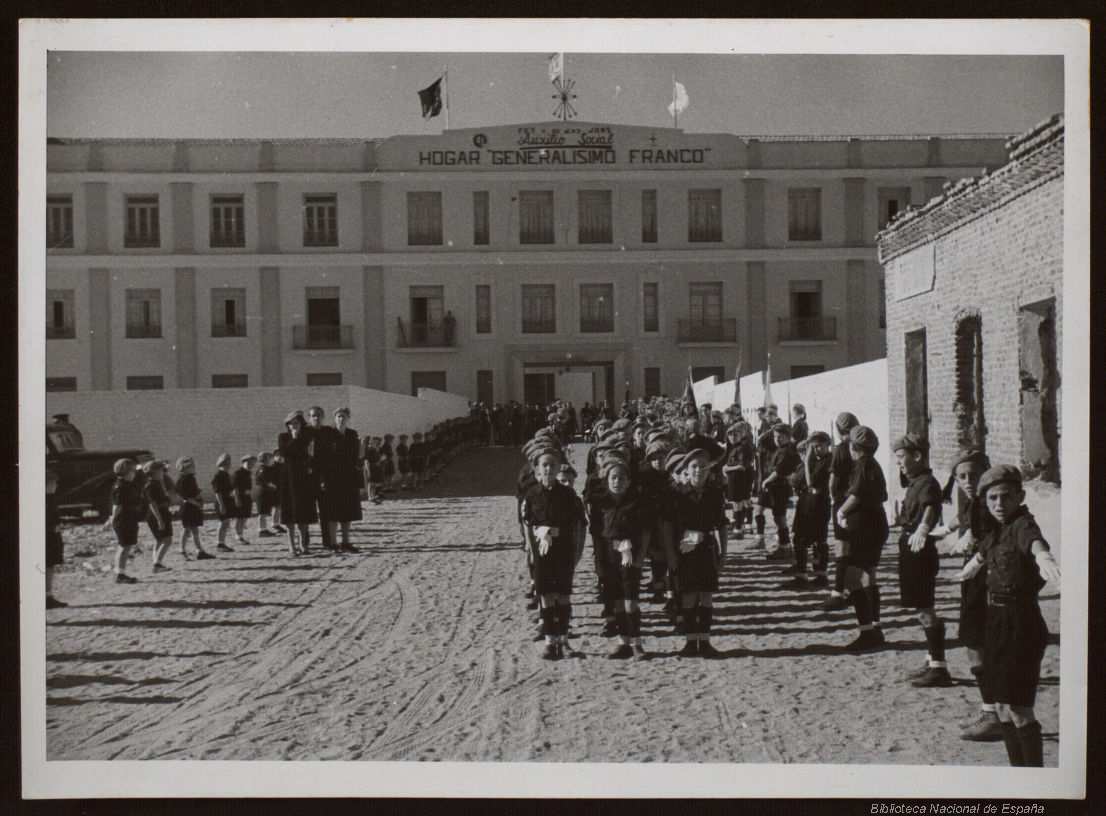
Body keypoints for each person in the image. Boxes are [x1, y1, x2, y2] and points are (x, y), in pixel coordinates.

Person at [956, 465, 1061, 767]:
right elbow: (985, 551)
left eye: (1005, 497)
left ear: (1020, 496)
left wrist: (1044, 557)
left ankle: (1035, 780)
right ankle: (1019, 777)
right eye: (992, 499)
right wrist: (971, 566)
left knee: (1018, 708)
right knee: (1001, 706)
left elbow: (1033, 542)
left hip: (1021, 623)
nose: (999, 504)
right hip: (996, 621)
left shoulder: (1022, 524)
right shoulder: (996, 529)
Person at [932, 448, 1000, 740]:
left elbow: (991, 536)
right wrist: (945, 531)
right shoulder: (976, 502)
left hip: (989, 580)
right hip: (974, 579)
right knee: (975, 641)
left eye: (974, 474)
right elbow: (964, 519)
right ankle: (991, 711)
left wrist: (973, 552)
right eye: (962, 476)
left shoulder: (991, 503)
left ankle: (993, 714)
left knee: (979, 643)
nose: (968, 480)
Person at [893, 433, 952, 687]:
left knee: (925, 606)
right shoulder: (916, 481)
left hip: (919, 547)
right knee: (921, 606)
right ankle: (931, 661)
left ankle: (939, 667)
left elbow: (930, 507)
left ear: (916, 456)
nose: (899, 464)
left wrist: (923, 529)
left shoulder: (927, 482)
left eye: (900, 458)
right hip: (911, 545)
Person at [588, 456, 651, 660]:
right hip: (609, 555)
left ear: (629, 481)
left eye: (621, 478)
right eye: (613, 478)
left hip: (630, 555)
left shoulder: (636, 503)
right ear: (607, 480)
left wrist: (641, 557)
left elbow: (645, 532)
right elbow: (597, 533)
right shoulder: (601, 504)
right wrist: (600, 562)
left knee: (630, 602)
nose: (617, 481)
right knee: (616, 603)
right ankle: (623, 642)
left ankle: (637, 643)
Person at [521, 446, 579, 660]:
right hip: (541, 553)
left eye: (552, 465)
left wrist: (556, 531)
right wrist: (536, 536)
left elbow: (575, 523)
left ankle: (563, 640)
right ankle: (549, 640)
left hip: (562, 551)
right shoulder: (532, 494)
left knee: (562, 596)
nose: (548, 469)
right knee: (545, 596)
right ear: (537, 469)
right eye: (544, 465)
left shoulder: (567, 494)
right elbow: (527, 521)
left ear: (557, 468)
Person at [834, 425, 889, 652]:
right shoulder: (874, 465)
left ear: (853, 447)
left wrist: (841, 511)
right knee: (869, 576)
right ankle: (875, 626)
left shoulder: (862, 465)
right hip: (876, 523)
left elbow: (856, 494)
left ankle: (867, 631)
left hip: (864, 526)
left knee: (852, 578)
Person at [671, 447, 728, 658]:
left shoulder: (715, 493)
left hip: (707, 548)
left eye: (703, 466)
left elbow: (722, 524)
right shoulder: (678, 494)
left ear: (709, 469)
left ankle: (704, 641)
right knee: (688, 596)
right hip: (684, 549)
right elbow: (671, 526)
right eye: (694, 466)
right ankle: (689, 641)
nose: (698, 470)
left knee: (706, 595)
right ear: (686, 469)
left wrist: (724, 553)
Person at [782, 431, 832, 588]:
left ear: (827, 445)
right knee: (803, 538)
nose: (816, 449)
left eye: (819, 446)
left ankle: (815, 575)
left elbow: (811, 482)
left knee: (816, 540)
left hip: (818, 504)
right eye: (814, 446)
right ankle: (806, 574)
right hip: (808, 502)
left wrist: (807, 461)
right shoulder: (818, 460)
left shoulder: (827, 460)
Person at [824, 411, 860, 611]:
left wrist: (833, 498)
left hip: (841, 501)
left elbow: (834, 479)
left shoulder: (840, 449)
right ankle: (852, 590)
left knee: (841, 548)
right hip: (856, 501)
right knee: (853, 547)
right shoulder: (859, 447)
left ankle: (838, 591)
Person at [278, 410, 318, 556]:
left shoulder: (307, 438)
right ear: (287, 426)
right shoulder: (283, 437)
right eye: (291, 424)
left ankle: (303, 544)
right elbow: (285, 453)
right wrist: (294, 438)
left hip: (303, 478)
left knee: (303, 512)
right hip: (288, 479)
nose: (294, 426)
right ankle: (291, 546)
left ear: (301, 424)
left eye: (297, 423)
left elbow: (309, 455)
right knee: (289, 514)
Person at [759, 423, 801, 561]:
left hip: (780, 487)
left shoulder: (787, 451)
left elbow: (779, 470)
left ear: (788, 437)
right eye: (776, 436)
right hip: (776, 488)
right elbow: (762, 441)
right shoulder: (781, 449)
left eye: (781, 437)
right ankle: (784, 546)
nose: (777, 439)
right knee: (778, 517)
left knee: (780, 517)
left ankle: (785, 547)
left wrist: (766, 481)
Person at [328, 407, 362, 553]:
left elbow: (356, 456)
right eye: (338, 416)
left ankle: (346, 542)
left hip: (349, 477)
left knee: (348, 511)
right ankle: (333, 543)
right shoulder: (329, 434)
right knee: (333, 511)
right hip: (333, 477)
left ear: (348, 418)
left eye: (344, 417)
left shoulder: (352, 434)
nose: (341, 419)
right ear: (334, 418)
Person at [105, 458, 143, 584]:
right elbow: (117, 505)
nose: (135, 473)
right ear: (126, 471)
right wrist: (112, 520)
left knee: (126, 546)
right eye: (133, 471)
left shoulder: (126, 485)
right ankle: (119, 574)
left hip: (129, 518)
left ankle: (120, 572)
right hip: (123, 520)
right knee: (124, 546)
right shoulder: (120, 486)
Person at [306, 406, 337, 549]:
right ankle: (304, 543)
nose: (316, 418)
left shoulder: (328, 432)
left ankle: (327, 542)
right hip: (308, 477)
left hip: (325, 476)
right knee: (306, 511)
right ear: (309, 418)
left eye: (318, 415)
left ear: (323, 417)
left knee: (326, 511)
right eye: (313, 416)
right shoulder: (305, 432)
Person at [175, 456, 213, 560]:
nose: (193, 467)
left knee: (192, 529)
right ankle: (185, 550)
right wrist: (197, 503)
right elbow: (186, 496)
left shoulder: (190, 478)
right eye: (190, 466)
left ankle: (197, 550)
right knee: (188, 529)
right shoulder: (184, 480)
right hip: (189, 507)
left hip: (192, 506)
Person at [722, 422, 756, 540]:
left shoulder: (741, 448)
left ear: (741, 434)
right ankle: (746, 526)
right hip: (738, 478)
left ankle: (738, 530)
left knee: (738, 503)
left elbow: (742, 466)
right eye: (730, 435)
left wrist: (727, 468)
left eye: (735, 434)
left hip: (738, 478)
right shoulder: (737, 447)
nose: (732, 437)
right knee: (744, 501)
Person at [142, 460, 175, 572]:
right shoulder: (150, 486)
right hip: (158, 515)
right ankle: (157, 564)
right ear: (154, 472)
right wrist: (159, 519)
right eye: (161, 470)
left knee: (159, 540)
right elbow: (153, 504)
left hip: (161, 513)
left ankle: (156, 562)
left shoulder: (158, 483)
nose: (163, 472)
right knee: (168, 540)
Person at [45, 465, 67, 608]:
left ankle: (48, 594)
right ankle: (46, 596)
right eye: (53, 482)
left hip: (53, 536)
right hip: (48, 537)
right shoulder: (45, 500)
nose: (56, 485)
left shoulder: (51, 498)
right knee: (47, 565)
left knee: (50, 566)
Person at [211, 453, 236, 553]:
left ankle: (222, 542)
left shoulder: (226, 475)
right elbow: (217, 492)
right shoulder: (218, 476)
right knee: (223, 522)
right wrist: (221, 505)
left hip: (227, 501)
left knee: (226, 523)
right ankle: (219, 543)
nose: (229, 464)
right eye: (227, 463)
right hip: (221, 502)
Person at [254, 452, 279, 538]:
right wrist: (271, 485)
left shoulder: (268, 468)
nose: (272, 459)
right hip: (262, 492)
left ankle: (264, 529)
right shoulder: (262, 469)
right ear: (265, 459)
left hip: (267, 492)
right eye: (270, 458)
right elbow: (264, 479)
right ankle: (262, 530)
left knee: (265, 511)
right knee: (262, 512)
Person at [232, 455, 256, 546]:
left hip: (247, 497)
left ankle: (240, 534)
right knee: (240, 517)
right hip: (240, 497)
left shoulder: (248, 473)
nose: (251, 465)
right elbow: (235, 488)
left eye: (252, 463)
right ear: (243, 462)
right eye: (249, 463)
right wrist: (237, 499)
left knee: (245, 516)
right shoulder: (238, 473)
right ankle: (238, 535)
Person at [362, 436, 384, 505]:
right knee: (370, 483)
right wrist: (368, 470)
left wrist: (380, 460)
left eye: (376, 442)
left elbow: (377, 459)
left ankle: (373, 496)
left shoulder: (375, 449)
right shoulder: (369, 450)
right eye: (374, 442)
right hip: (371, 468)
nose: (376, 443)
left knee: (374, 483)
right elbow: (366, 460)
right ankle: (370, 497)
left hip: (376, 468)